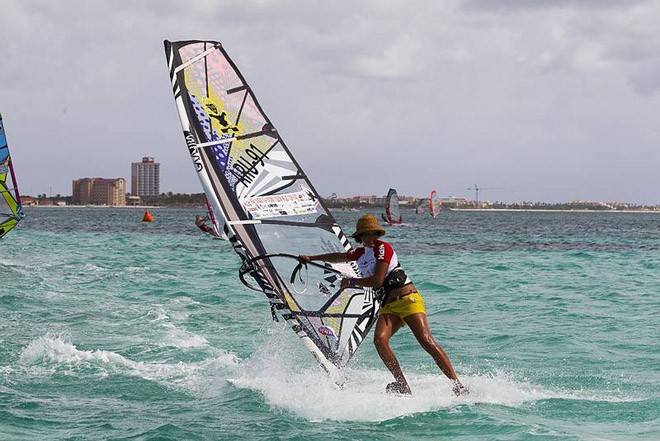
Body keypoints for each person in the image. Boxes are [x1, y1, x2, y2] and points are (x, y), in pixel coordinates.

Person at [299, 214, 468, 396]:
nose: (372, 238)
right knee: (379, 341)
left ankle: (457, 385)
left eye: (374, 234)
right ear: (360, 237)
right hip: (389, 306)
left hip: (408, 300)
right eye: (367, 235)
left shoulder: (383, 248)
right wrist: (311, 258)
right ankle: (403, 385)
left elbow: (378, 280)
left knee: (426, 340)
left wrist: (351, 282)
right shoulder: (360, 253)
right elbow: (339, 256)